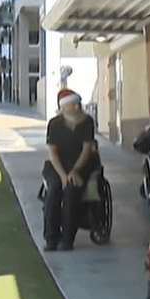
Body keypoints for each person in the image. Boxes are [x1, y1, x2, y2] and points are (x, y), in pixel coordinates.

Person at [42, 88, 99, 252]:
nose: (76, 108)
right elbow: (52, 153)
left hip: (80, 165)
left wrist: (74, 172)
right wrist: (62, 176)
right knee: (54, 191)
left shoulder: (87, 121)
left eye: (77, 104)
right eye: (72, 105)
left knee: (71, 192)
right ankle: (51, 238)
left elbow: (87, 148)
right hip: (56, 167)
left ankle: (67, 239)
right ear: (63, 107)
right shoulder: (55, 124)